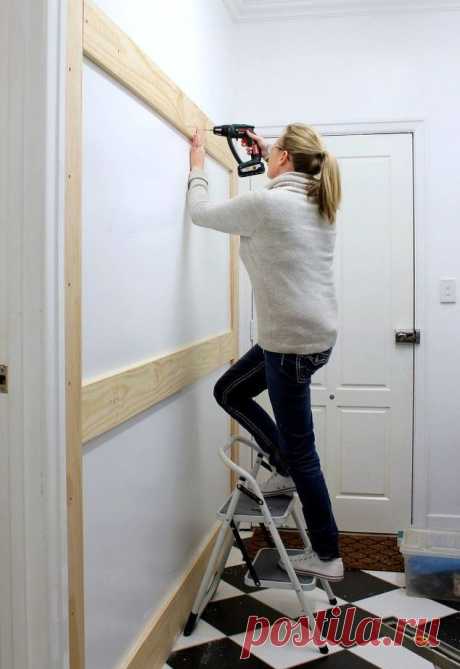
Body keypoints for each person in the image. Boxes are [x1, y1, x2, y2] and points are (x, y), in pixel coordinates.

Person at [187, 123, 344, 582]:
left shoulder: (269, 204)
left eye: (273, 150)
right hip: (311, 338)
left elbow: (203, 213)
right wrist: (264, 158)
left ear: (285, 161)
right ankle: (281, 462)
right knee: (230, 391)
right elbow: (268, 214)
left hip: (289, 344)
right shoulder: (319, 203)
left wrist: (197, 168)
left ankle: (328, 553)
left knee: (304, 456)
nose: (267, 152)